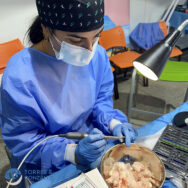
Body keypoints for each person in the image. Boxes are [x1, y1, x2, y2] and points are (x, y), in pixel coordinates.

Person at [0, 0, 137, 179]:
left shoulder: (98, 56)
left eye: (96, 36)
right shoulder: (20, 76)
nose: (89, 50)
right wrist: (71, 152)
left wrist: (114, 123)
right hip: (45, 159)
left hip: (91, 143)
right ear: (46, 30)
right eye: (75, 40)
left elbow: (101, 102)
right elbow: (25, 140)